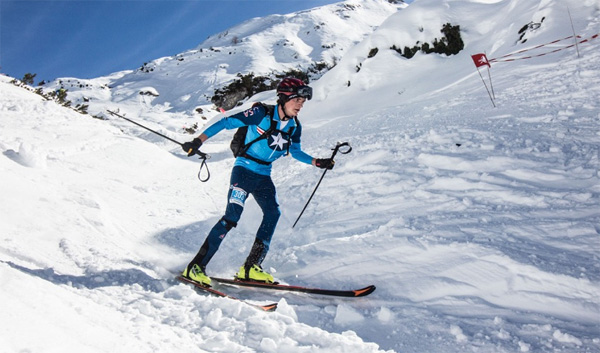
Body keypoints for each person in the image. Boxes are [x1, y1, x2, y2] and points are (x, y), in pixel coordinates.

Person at [180, 77, 335, 286]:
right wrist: (198, 141)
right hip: (244, 170)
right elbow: (227, 122)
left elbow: (295, 151)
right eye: (297, 100)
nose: (300, 105)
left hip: (263, 175)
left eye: (303, 102)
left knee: (273, 213)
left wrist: (316, 162)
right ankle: (195, 266)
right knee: (231, 216)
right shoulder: (261, 113)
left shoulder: (294, 127)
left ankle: (250, 267)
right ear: (285, 97)